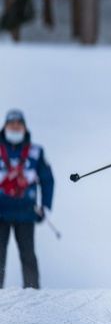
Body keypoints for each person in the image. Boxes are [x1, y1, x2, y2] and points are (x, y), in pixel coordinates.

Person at [0, 109, 54, 289]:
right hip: (1, 213)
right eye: (11, 123)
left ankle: (32, 295)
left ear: (24, 127)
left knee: (28, 255)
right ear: (5, 126)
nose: (15, 126)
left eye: (19, 123)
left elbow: (47, 180)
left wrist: (45, 206)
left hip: (26, 213)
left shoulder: (36, 152)